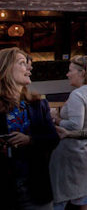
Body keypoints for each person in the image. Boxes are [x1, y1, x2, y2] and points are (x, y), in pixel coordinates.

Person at [49, 55, 87, 210]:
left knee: (59, 201)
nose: (67, 74)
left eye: (70, 71)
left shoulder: (78, 95)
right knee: (86, 201)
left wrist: (56, 119)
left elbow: (75, 125)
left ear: (83, 72)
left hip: (70, 158)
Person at [0, 47, 59, 210]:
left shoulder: (38, 105)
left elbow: (53, 139)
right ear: (5, 69)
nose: (28, 68)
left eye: (28, 64)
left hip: (36, 189)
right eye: (22, 63)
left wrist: (30, 140)